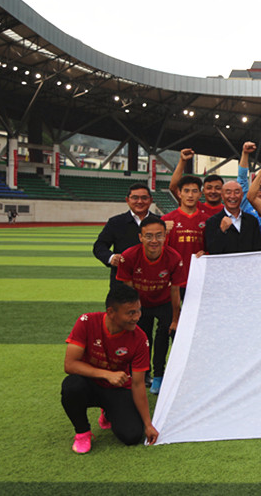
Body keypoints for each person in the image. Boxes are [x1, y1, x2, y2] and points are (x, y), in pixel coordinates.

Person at [61, 284, 159, 453]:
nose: (136, 317)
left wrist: (148, 424)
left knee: (132, 436)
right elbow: (70, 364)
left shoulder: (140, 338)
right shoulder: (86, 321)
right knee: (71, 386)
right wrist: (107, 374)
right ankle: (82, 432)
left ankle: (108, 412)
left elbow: (138, 384)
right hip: (89, 385)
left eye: (138, 311)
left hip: (117, 389)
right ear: (111, 312)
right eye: (130, 313)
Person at [116, 217, 184, 395]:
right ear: (140, 237)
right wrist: (133, 313)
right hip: (140, 303)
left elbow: (175, 291)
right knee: (142, 338)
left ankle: (159, 376)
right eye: (149, 236)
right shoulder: (129, 256)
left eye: (159, 236)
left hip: (164, 302)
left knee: (163, 336)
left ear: (165, 236)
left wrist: (175, 319)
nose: (154, 240)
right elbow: (128, 290)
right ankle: (142, 374)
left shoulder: (174, 257)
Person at [93, 183, 156, 286]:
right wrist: (111, 257)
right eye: (135, 198)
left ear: (151, 200)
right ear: (127, 200)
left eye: (144, 198)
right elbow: (99, 246)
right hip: (122, 282)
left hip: (154, 282)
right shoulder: (115, 222)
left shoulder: (161, 222)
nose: (140, 201)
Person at [161, 175, 210, 291]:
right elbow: (159, 250)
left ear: (200, 194)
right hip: (173, 280)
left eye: (194, 191)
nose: (190, 195)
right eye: (186, 191)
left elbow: (212, 249)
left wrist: (206, 253)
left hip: (198, 280)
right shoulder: (166, 220)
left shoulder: (208, 220)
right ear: (179, 193)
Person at [205, 180, 261, 254]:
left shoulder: (252, 221)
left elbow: (257, 250)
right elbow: (212, 251)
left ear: (242, 195)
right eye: (228, 192)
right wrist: (222, 230)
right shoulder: (212, 221)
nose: (232, 196)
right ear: (222, 196)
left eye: (237, 192)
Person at [237, 141, 261, 250]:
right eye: (260, 188)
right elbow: (242, 179)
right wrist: (245, 154)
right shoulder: (245, 204)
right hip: (248, 255)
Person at [169, 148, 224, 217]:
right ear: (203, 191)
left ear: (223, 191)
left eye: (217, 188)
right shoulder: (193, 205)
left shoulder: (228, 210)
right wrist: (182, 161)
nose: (213, 191)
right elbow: (173, 188)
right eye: (209, 188)